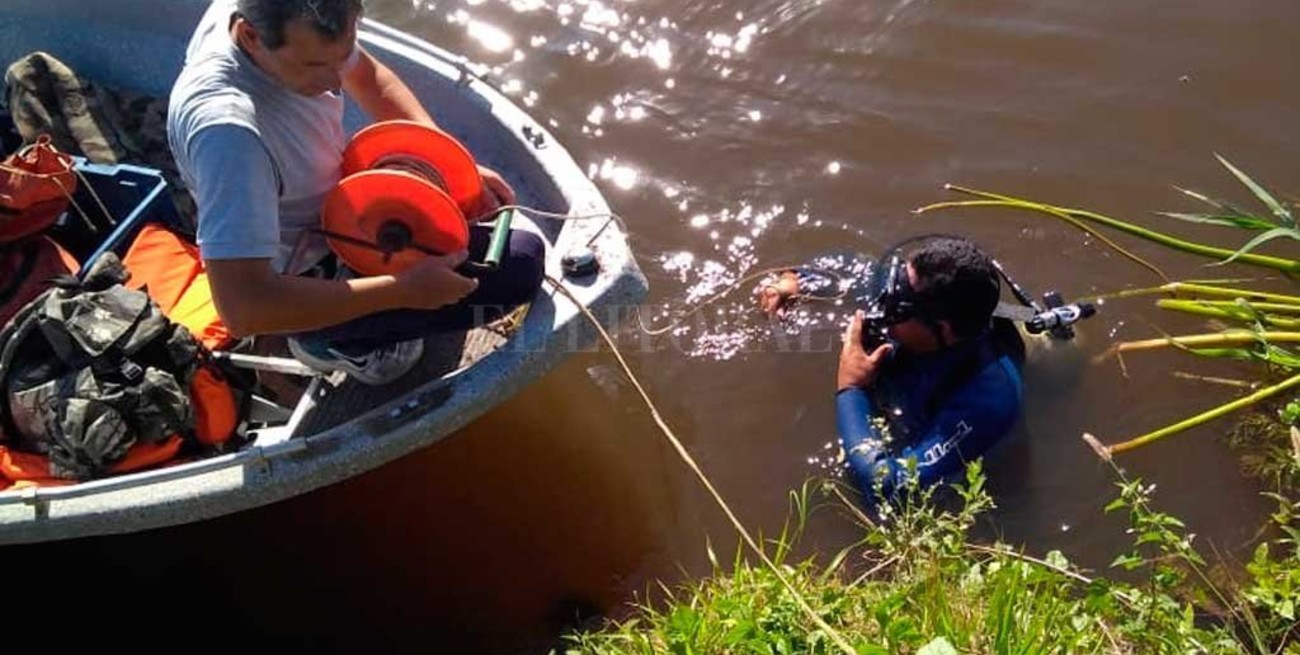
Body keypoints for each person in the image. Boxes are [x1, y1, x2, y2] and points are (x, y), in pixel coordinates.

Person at [167, 0, 545, 385]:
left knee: (503, 231)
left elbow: (367, 76)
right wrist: (401, 291)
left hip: (344, 201)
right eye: (316, 67)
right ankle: (322, 341)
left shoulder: (279, 22)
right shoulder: (229, 138)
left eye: (341, 56)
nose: (335, 83)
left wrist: (447, 161)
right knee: (520, 266)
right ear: (250, 36)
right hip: (306, 264)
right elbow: (243, 308)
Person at [759, 235, 1025, 501]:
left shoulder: (988, 401)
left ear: (940, 329)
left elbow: (891, 490)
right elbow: (841, 267)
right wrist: (792, 282)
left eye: (896, 307)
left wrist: (852, 389)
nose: (883, 304)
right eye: (894, 283)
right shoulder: (912, 290)